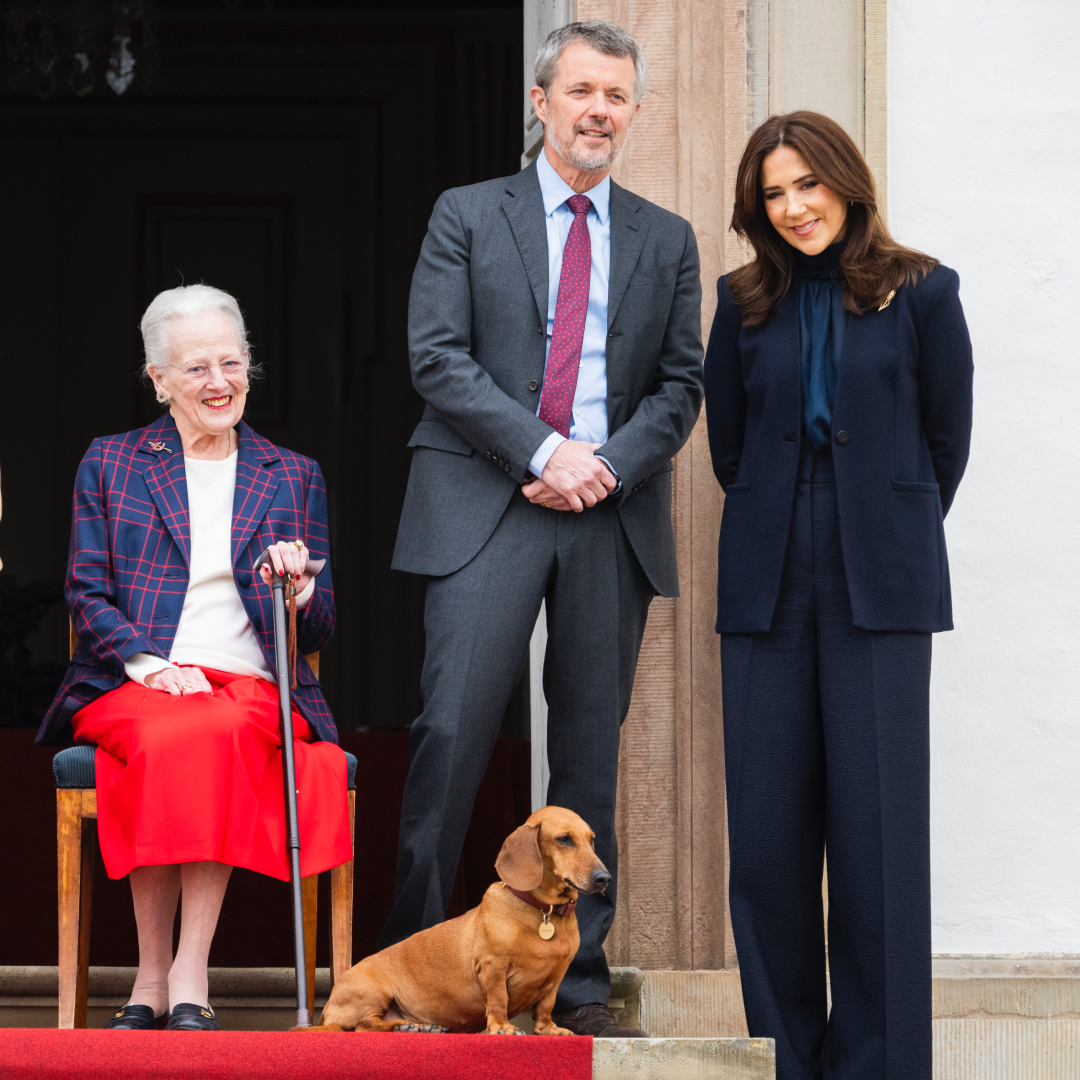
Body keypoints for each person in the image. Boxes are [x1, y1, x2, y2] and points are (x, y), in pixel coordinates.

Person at [383, 21, 704, 1037]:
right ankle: (413, 972)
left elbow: (681, 384)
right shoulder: (469, 215)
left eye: (616, 94)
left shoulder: (666, 236)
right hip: (488, 501)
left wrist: (601, 464)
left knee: (586, 759)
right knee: (452, 735)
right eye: (581, 92)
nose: (599, 110)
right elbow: (437, 357)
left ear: (635, 110)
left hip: (610, 515)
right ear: (542, 100)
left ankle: (577, 981)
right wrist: (545, 452)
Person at [704, 110, 973, 1079]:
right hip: (768, 577)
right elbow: (730, 447)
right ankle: (791, 1060)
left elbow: (947, 439)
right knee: (768, 851)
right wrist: (799, 511)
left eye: (806, 185)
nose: (794, 208)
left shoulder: (924, 291)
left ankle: (882, 1064)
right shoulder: (742, 302)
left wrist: (880, 519)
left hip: (883, 581)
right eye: (773, 194)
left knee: (879, 843)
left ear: (845, 184)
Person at [36, 284, 352, 1031]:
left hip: (249, 684)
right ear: (158, 380)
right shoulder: (112, 462)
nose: (219, 383)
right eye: (197, 370)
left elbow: (323, 628)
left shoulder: (292, 473)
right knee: (165, 731)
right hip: (135, 677)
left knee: (210, 730)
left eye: (231, 363)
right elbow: (86, 593)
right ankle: (152, 973)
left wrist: (299, 591)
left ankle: (186, 969)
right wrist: (151, 664)